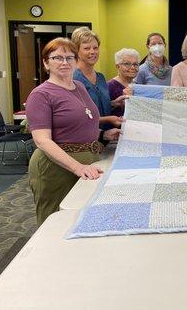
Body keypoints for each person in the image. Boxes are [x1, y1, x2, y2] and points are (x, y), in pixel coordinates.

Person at [26, 38, 120, 226]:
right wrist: (78, 167)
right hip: (56, 167)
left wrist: (103, 134)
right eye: (57, 58)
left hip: (88, 162)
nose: (64, 62)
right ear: (46, 63)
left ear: (76, 62)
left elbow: (84, 121)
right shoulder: (41, 94)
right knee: (55, 220)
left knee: (80, 218)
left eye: (70, 58)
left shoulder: (79, 87)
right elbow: (42, 141)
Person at [71, 27, 122, 128]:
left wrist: (114, 103)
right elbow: (77, 116)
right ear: (76, 51)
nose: (92, 51)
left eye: (95, 48)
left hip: (108, 136)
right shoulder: (72, 79)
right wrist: (108, 119)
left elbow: (96, 105)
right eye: (86, 48)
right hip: (86, 138)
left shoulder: (101, 78)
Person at [107, 48, 140, 117]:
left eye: (135, 64)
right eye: (127, 64)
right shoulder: (109, 87)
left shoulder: (138, 86)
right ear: (117, 66)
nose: (133, 67)